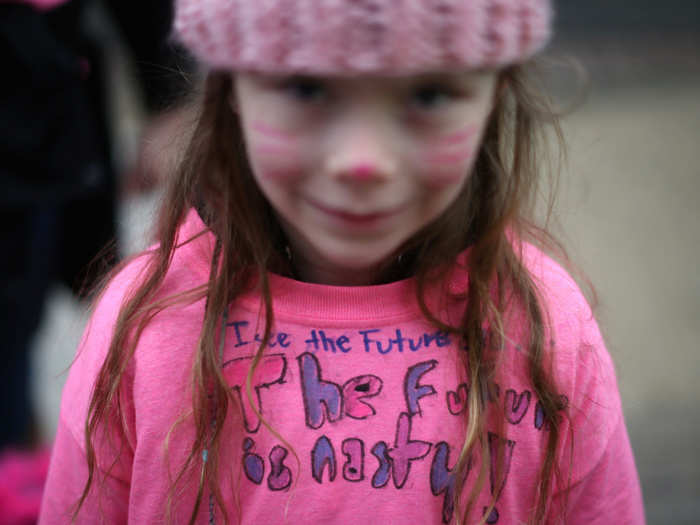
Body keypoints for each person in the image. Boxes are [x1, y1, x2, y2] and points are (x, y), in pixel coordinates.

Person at [38, 0, 645, 523]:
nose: (363, 162)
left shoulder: (546, 331)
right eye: (307, 87)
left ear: (494, 94)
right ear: (231, 90)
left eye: (429, 93)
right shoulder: (145, 327)